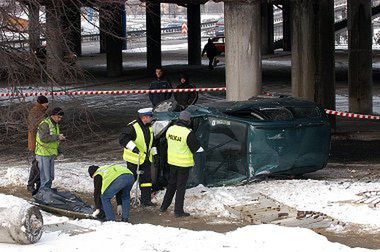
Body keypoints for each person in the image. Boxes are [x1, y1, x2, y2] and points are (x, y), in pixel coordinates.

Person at [160, 110, 204, 217]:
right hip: (183, 164)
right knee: (180, 187)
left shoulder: (170, 129)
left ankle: (164, 206)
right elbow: (196, 148)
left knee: (171, 185)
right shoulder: (187, 133)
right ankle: (178, 211)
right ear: (188, 121)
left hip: (172, 162)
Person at [119, 108, 157, 207]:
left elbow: (151, 143)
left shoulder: (149, 127)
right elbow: (123, 139)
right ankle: (122, 200)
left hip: (145, 159)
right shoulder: (133, 127)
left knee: (146, 181)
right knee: (130, 180)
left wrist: (154, 154)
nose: (152, 118)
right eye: (150, 116)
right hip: (134, 160)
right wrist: (134, 148)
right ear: (144, 117)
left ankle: (146, 200)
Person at [35, 107, 66, 190]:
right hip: (43, 154)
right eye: (58, 117)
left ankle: (47, 191)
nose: (59, 119)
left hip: (51, 153)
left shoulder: (55, 125)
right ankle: (43, 193)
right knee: (45, 177)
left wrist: (59, 152)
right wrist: (57, 136)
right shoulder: (45, 124)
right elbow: (44, 138)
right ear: (53, 115)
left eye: (61, 118)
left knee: (51, 176)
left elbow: (56, 141)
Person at [27, 95, 49, 194]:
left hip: (39, 142)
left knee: (40, 164)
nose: (47, 104)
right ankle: (30, 184)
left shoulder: (41, 111)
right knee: (36, 164)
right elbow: (34, 128)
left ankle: (38, 183)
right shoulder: (36, 112)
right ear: (42, 103)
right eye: (46, 103)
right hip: (36, 142)